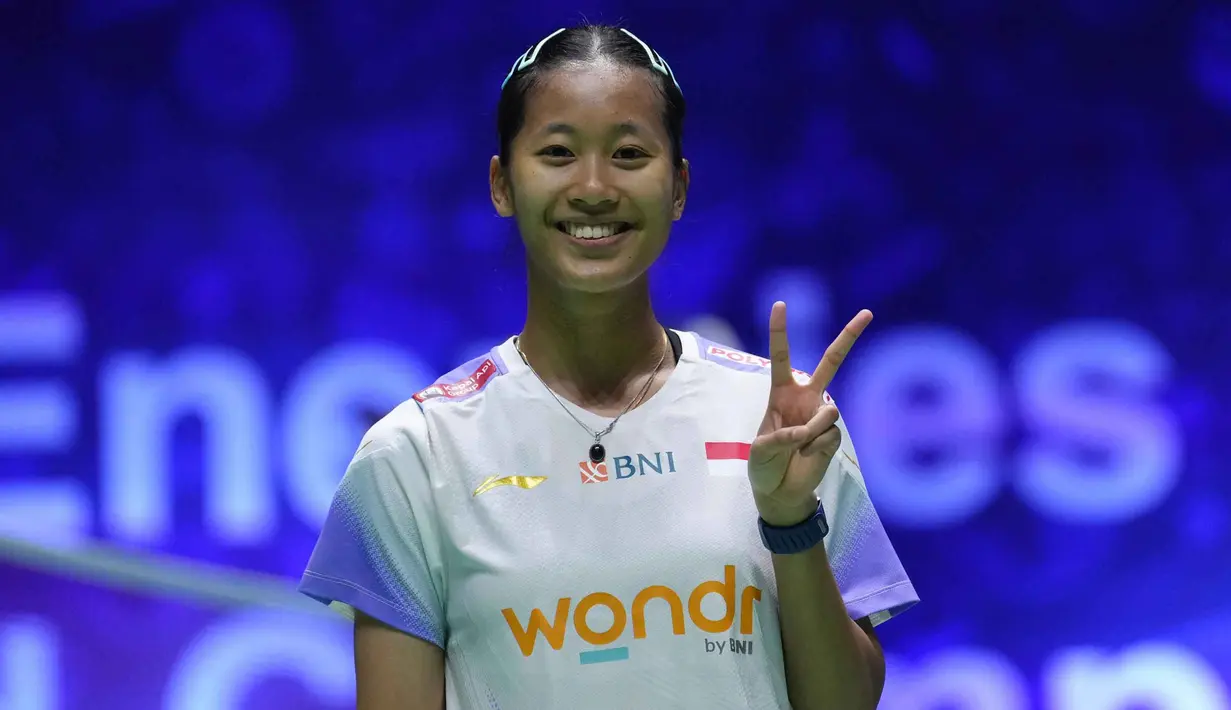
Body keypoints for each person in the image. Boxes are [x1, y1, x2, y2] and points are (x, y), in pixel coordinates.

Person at [299, 22, 918, 710]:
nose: (593, 187)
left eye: (628, 153)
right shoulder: (412, 456)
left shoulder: (779, 419)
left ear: (677, 188)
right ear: (502, 184)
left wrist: (790, 520)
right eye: (557, 153)